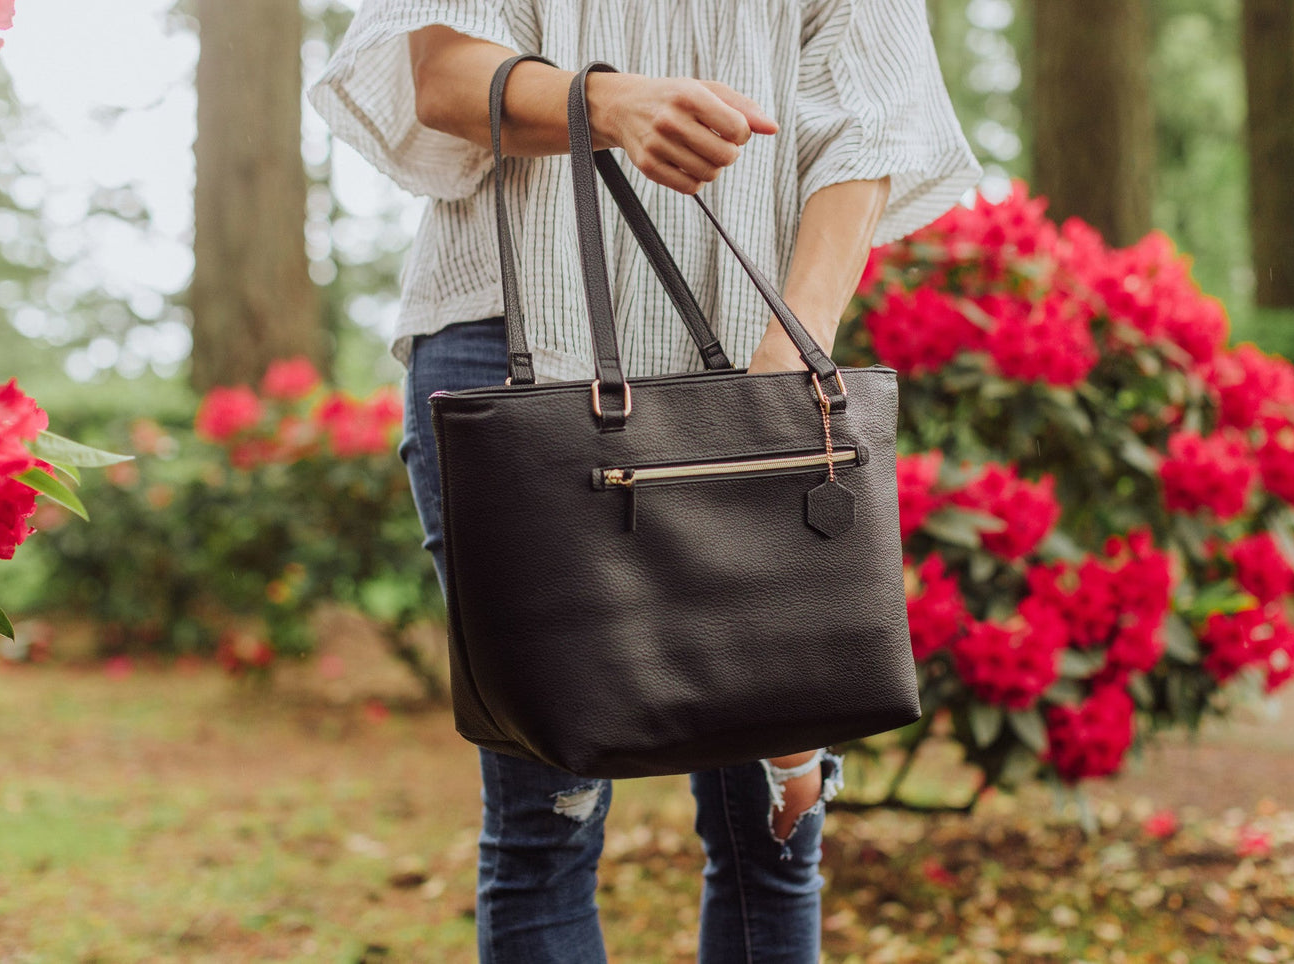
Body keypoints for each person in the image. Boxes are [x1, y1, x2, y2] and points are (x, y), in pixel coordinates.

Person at [311, 2, 980, 960]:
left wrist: (794, 353)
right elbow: (443, 76)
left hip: (753, 359)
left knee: (779, 825)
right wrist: (608, 104)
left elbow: (871, 121)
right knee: (547, 821)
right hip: (519, 362)